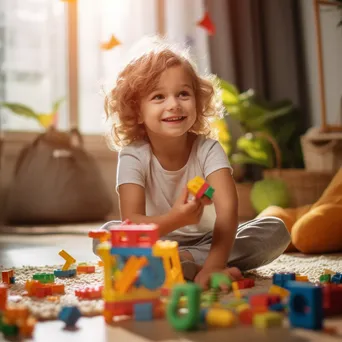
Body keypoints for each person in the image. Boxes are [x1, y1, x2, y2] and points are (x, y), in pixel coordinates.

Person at [94, 39, 291, 289]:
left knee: (275, 230)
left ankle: (180, 262)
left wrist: (214, 265)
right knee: (107, 236)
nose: (173, 104)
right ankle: (176, 261)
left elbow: (228, 210)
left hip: (211, 240)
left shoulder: (208, 149)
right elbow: (132, 223)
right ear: (137, 110)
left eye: (183, 94)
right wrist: (176, 219)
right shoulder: (133, 155)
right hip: (154, 239)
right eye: (158, 97)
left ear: (197, 101)